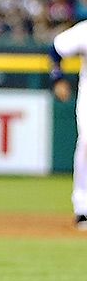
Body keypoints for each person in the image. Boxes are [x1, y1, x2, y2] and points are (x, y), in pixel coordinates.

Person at [50, 20, 87, 229]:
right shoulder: (85, 31)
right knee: (86, 144)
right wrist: (57, 79)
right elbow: (55, 49)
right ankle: (83, 209)